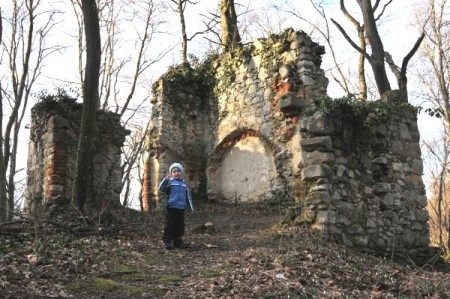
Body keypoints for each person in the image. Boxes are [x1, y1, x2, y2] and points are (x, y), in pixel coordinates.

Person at [158, 162, 194, 250]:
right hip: (171, 207)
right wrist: (166, 179)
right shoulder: (170, 183)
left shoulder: (184, 184)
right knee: (170, 224)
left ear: (181, 173)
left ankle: (177, 241)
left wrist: (191, 207)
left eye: (178, 171)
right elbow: (161, 188)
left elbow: (188, 196)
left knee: (180, 225)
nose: (176, 173)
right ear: (171, 173)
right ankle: (167, 241)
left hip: (181, 208)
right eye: (174, 172)